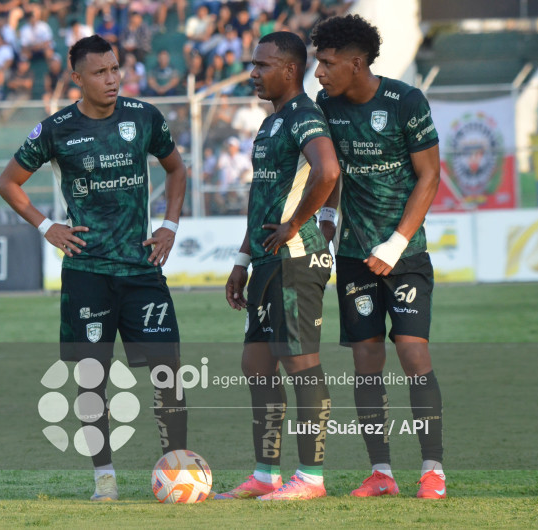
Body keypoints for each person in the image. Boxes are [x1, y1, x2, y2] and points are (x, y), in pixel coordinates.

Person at [0, 34, 188, 502]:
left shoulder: (144, 117)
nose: (112, 78)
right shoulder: (56, 129)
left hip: (142, 269)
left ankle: (177, 469)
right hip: (87, 273)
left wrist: (168, 225)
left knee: (168, 372)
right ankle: (104, 477)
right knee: (91, 378)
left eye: (115, 68)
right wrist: (47, 227)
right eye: (100, 72)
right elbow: (8, 182)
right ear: (77, 78)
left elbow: (176, 170)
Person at [312, 14, 446, 499]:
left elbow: (429, 176)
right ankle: (382, 474)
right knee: (367, 363)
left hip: (405, 254)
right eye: (317, 63)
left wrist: (395, 243)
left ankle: (432, 471)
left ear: (356, 62)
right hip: (353, 257)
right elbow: (329, 172)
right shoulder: (325, 105)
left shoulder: (405, 100)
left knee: (413, 352)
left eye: (327, 63)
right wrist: (328, 218)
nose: (319, 73)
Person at [216, 30, 339, 501]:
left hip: (297, 259)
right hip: (267, 260)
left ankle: (311, 477)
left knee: (301, 362)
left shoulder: (304, 116)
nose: (253, 74)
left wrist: (296, 225)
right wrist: (242, 260)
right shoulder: (271, 124)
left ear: (289, 70)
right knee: (257, 363)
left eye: (262, 65)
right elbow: (261, 197)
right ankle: (266, 474)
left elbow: (328, 172)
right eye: (253, 64)